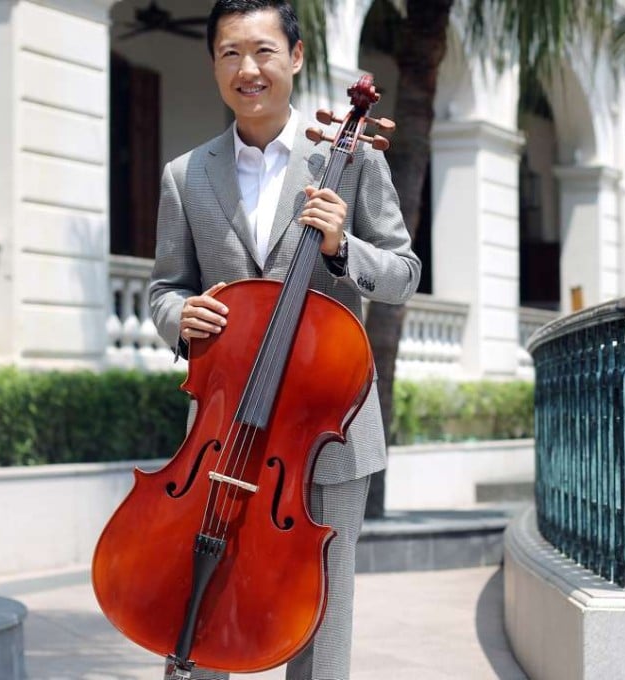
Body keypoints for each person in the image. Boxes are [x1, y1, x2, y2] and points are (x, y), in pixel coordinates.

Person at [148, 0, 420, 677]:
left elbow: (403, 273)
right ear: (214, 64)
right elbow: (163, 287)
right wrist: (177, 317)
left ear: (295, 58)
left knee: (321, 613)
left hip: (325, 434)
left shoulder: (348, 160)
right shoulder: (186, 176)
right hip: (223, 428)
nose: (248, 68)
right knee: (202, 596)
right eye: (230, 53)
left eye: (264, 51)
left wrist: (342, 247)